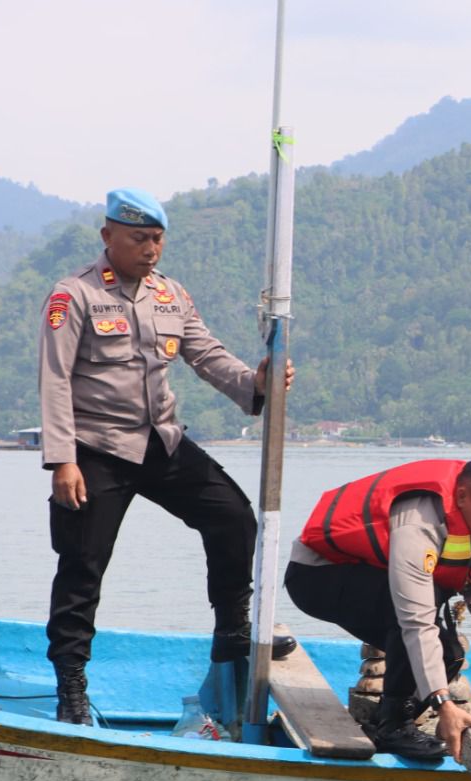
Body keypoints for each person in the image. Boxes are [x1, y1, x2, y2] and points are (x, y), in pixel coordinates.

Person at [39, 187, 294, 726]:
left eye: (157, 239)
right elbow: (55, 379)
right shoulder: (74, 295)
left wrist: (258, 383)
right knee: (83, 567)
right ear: (108, 236)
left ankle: (230, 634)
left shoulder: (170, 294)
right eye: (138, 238)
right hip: (95, 448)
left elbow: (207, 355)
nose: (150, 249)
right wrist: (62, 460)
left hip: (162, 441)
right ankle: (71, 684)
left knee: (233, 517)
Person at [286, 448, 471, 761]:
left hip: (376, 580)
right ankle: (394, 725)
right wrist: (443, 703)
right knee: (422, 624)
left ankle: (385, 726)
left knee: (450, 655)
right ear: (462, 496)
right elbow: (416, 621)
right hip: (318, 577)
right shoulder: (420, 523)